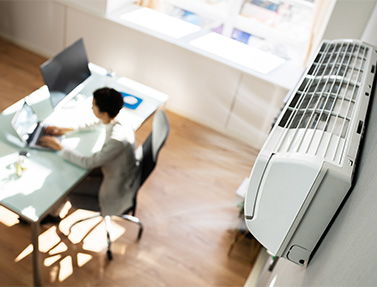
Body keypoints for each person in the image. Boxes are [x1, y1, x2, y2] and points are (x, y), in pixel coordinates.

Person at [39, 87, 140, 220]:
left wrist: (59, 146)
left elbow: (89, 163)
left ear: (104, 113)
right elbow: (97, 123)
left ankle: (52, 216)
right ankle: (53, 212)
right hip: (117, 169)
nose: (91, 108)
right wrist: (66, 129)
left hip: (115, 186)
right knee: (70, 171)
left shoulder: (117, 140)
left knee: (65, 183)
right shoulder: (118, 114)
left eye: (93, 106)